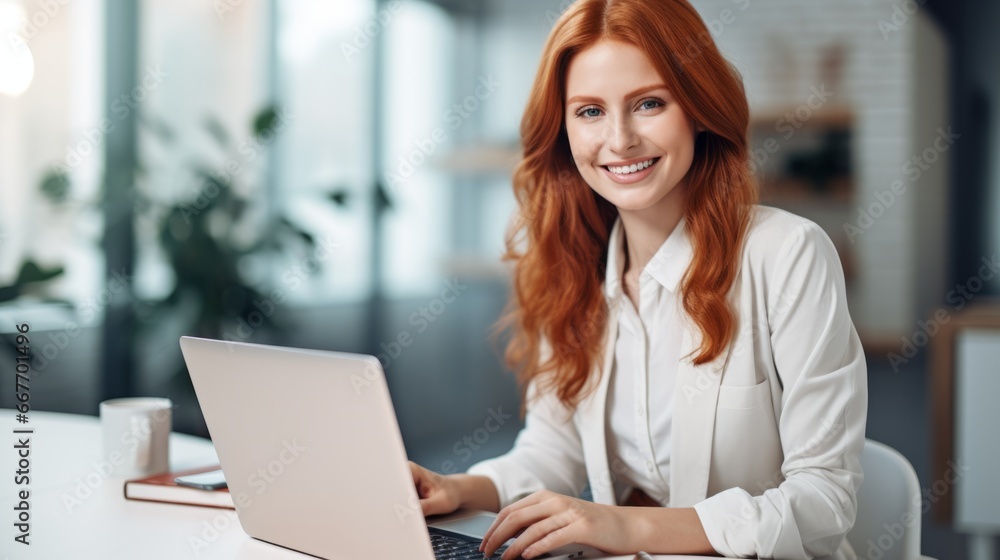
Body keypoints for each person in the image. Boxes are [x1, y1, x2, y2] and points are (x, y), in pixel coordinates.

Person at [409, 0, 868, 558]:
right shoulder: (572, 268)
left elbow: (824, 500)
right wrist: (457, 489)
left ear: (698, 109)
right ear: (565, 131)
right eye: (590, 111)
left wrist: (625, 527)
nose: (620, 140)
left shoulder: (789, 254)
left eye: (649, 103)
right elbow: (552, 452)